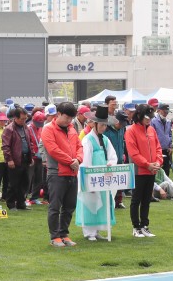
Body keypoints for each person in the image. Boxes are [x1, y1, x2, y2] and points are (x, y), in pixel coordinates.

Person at [41, 102, 83, 247]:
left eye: (71, 118)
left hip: (72, 172)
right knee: (55, 206)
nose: (69, 121)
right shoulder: (48, 129)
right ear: (58, 114)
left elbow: (79, 146)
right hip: (57, 173)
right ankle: (55, 236)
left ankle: (64, 234)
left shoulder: (72, 129)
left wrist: (78, 159)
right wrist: (71, 161)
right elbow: (53, 150)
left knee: (70, 206)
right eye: (66, 117)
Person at [75, 106, 119, 241]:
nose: (103, 128)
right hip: (91, 176)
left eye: (105, 125)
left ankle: (97, 230)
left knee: (103, 203)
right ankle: (89, 232)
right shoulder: (87, 140)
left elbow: (112, 156)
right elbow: (85, 161)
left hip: (103, 177)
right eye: (101, 125)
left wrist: (110, 165)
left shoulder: (105, 139)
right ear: (94, 124)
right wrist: (87, 178)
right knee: (90, 202)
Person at [124, 104, 163, 238]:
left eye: (150, 117)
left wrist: (158, 162)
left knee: (147, 199)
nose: (149, 120)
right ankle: (136, 227)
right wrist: (147, 164)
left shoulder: (151, 130)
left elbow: (158, 148)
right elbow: (133, 153)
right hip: (139, 171)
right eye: (147, 117)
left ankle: (145, 226)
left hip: (151, 170)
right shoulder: (131, 131)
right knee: (136, 200)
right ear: (139, 116)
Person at [1, 107, 34, 211]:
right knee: (14, 183)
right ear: (15, 118)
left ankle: (21, 203)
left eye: (25, 118)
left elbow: (30, 142)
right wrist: (9, 159)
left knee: (24, 182)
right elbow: (5, 146)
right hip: (14, 160)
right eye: (22, 119)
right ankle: (11, 204)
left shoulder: (25, 127)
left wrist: (31, 156)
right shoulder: (9, 129)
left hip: (25, 158)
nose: (24, 120)